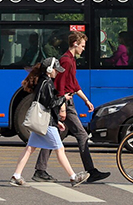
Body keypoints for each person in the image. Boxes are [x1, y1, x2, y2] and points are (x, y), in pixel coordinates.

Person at [33, 31, 110, 183]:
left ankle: (40, 170)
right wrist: (62, 106)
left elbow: (73, 83)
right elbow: (60, 85)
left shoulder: (71, 60)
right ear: (75, 44)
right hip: (64, 102)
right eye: (82, 46)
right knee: (81, 135)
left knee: (56, 136)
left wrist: (86, 100)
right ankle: (91, 171)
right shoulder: (66, 61)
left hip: (68, 100)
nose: (83, 49)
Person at [9, 58, 88, 187]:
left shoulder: (43, 81)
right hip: (46, 123)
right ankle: (73, 177)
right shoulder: (47, 83)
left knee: (29, 148)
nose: (58, 72)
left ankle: (16, 175)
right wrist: (63, 98)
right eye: (56, 70)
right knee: (60, 149)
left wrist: (57, 121)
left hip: (44, 121)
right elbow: (50, 103)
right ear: (50, 70)